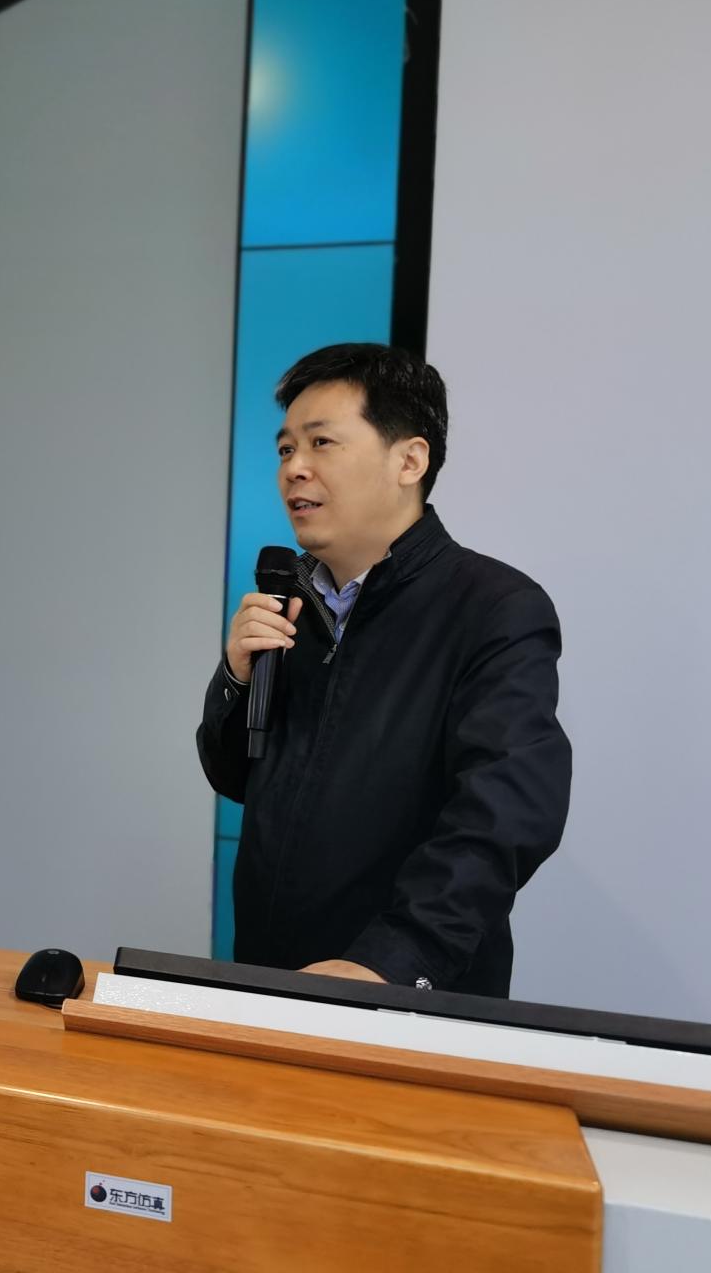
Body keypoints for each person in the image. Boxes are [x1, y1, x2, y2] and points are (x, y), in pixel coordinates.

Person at [196, 343, 570, 997]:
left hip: (405, 998)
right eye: (286, 449)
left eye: (322, 443)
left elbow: (502, 817)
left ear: (409, 460)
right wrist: (235, 680)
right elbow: (235, 776)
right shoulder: (291, 602)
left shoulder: (494, 608)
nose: (294, 469)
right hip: (272, 982)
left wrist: (391, 962)